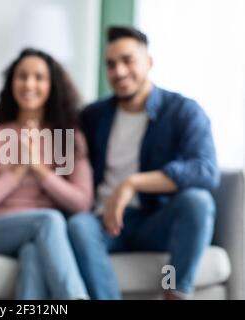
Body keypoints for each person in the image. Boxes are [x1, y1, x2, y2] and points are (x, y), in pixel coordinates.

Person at [68, 26, 219, 300]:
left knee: (198, 201)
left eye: (128, 60)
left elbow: (206, 171)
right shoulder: (94, 116)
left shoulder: (182, 111)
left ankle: (173, 290)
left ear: (148, 62)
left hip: (155, 222)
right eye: (111, 65)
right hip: (106, 225)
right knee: (78, 225)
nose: (120, 71)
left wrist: (132, 183)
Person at [0, 48, 93, 299]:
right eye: (22, 76)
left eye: (39, 77)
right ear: (12, 82)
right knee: (49, 220)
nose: (29, 84)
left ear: (52, 86)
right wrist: (19, 170)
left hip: (43, 235)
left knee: (33, 252)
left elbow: (82, 203)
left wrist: (38, 168)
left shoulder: (69, 138)